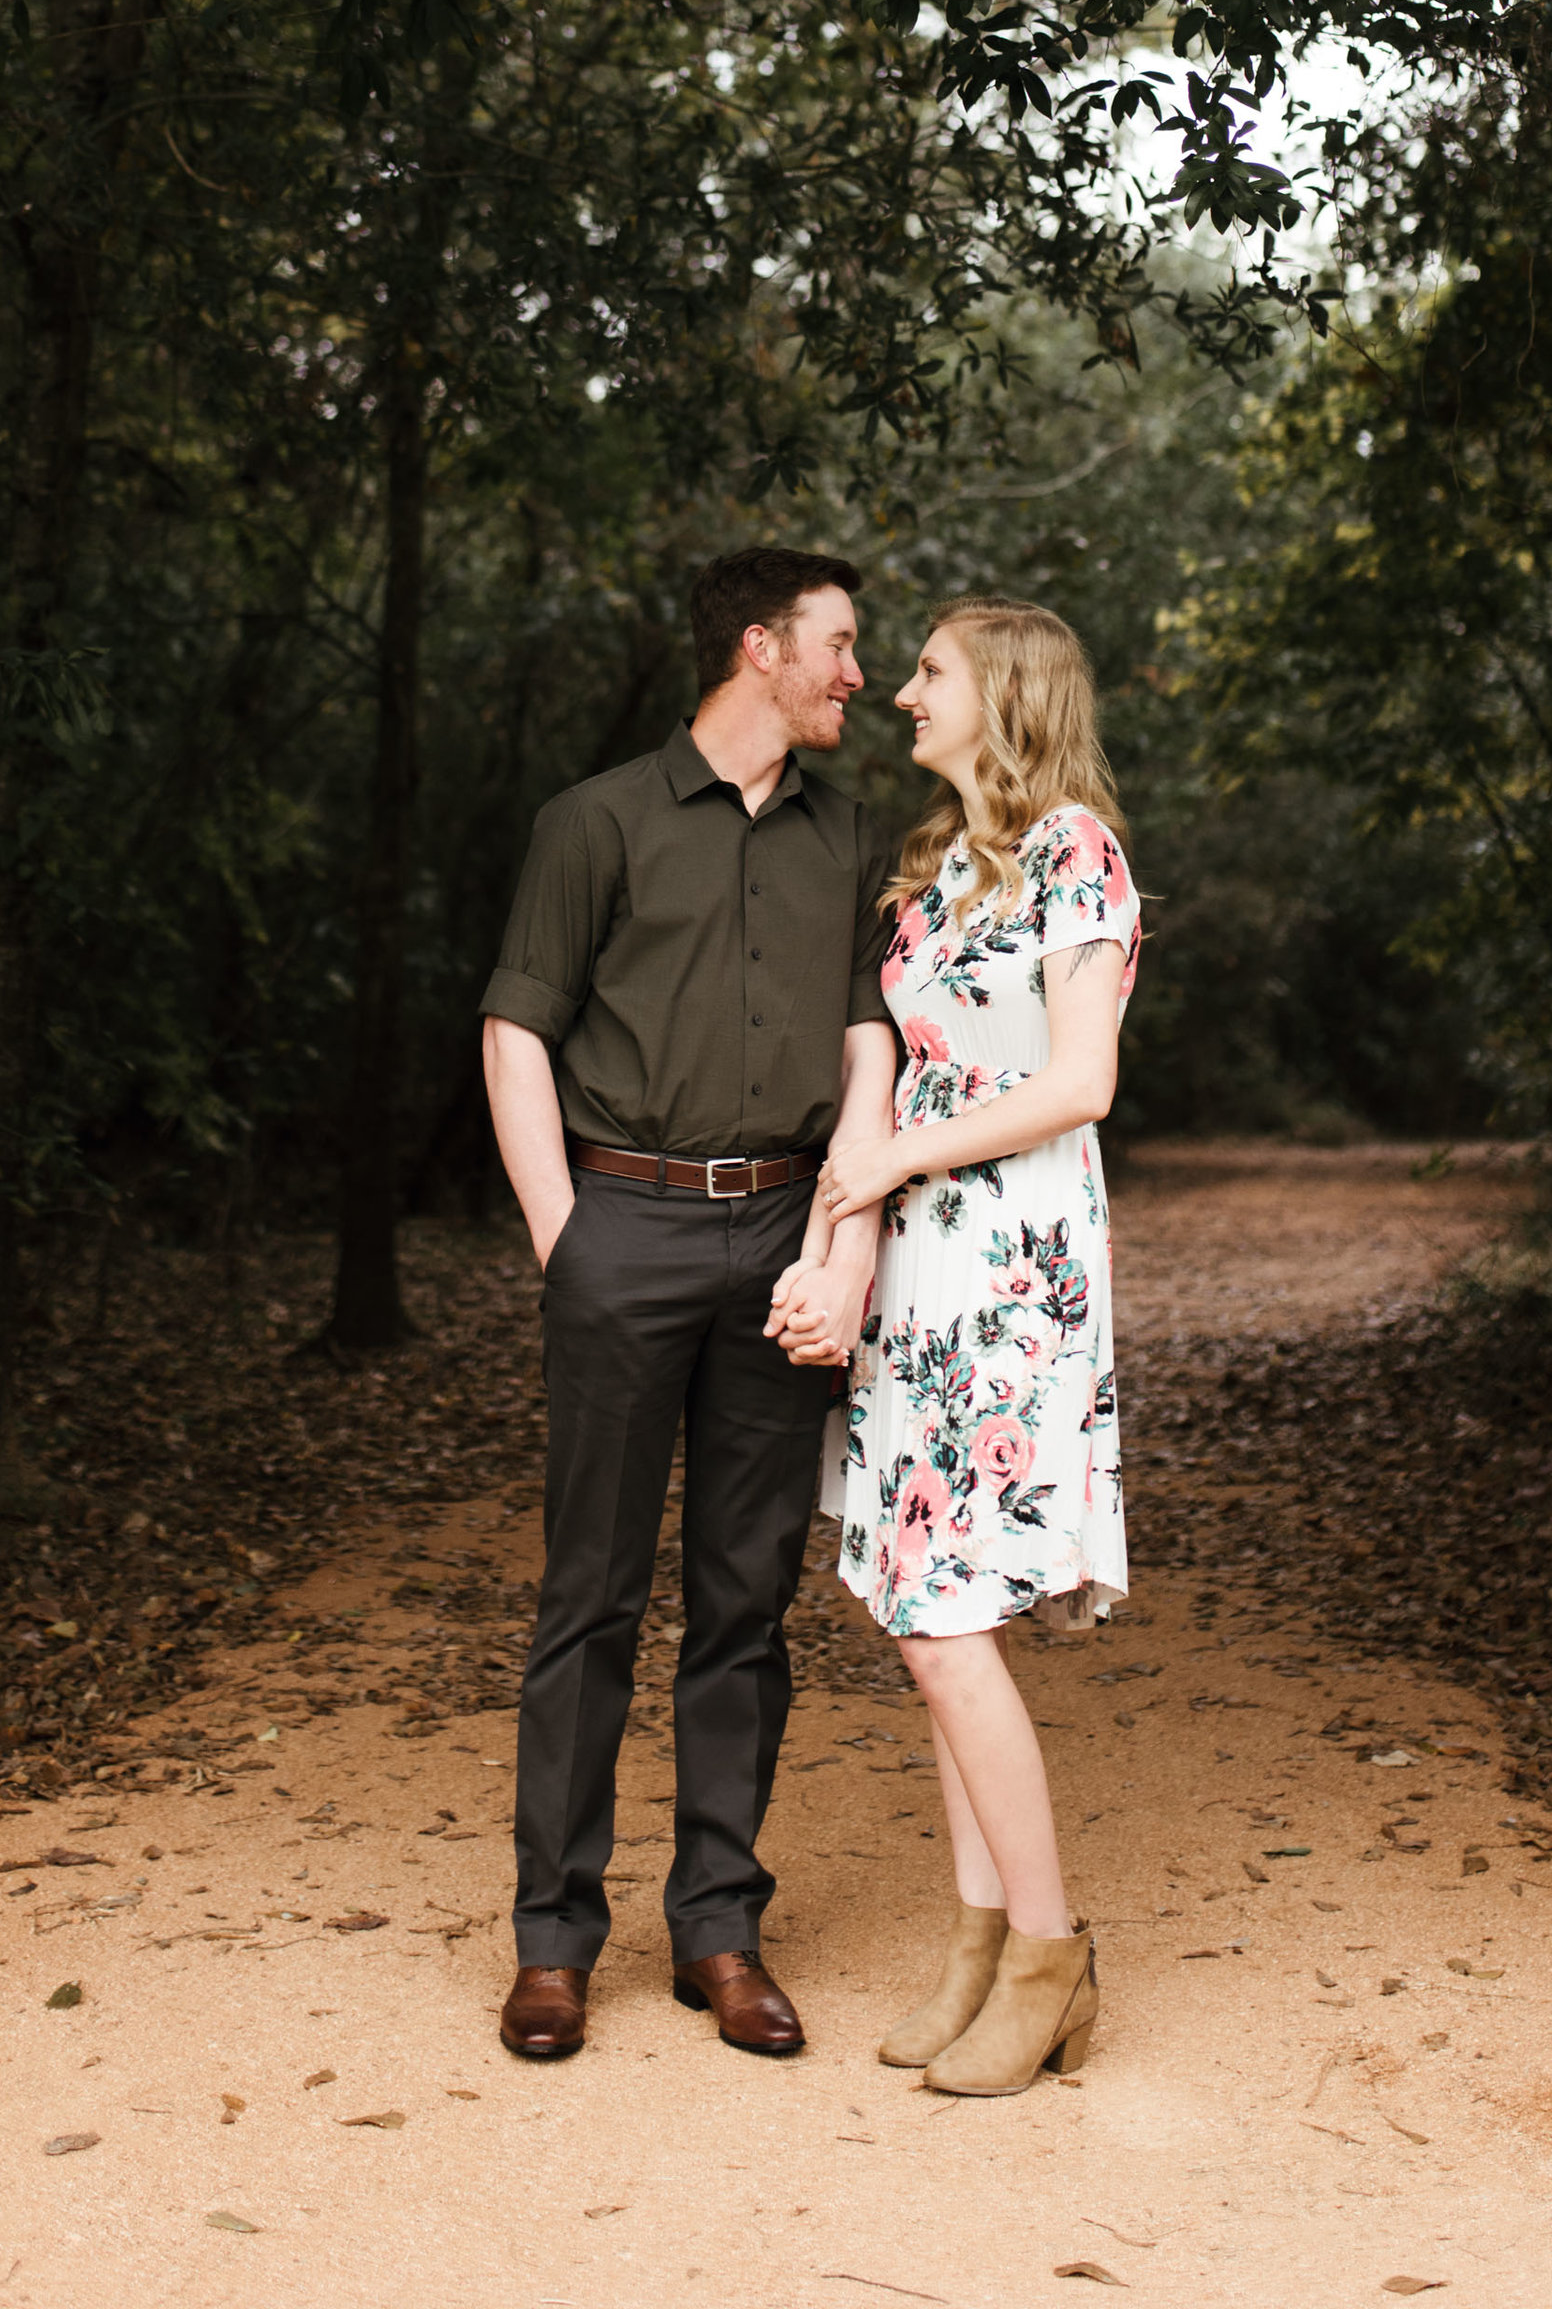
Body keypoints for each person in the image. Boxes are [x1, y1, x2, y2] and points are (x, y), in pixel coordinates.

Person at [479, 546, 898, 2062]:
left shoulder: (848, 834)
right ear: (760, 646)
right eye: (842, 645)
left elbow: (871, 1049)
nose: (861, 674)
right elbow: (515, 1028)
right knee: (588, 1594)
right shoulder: (593, 821)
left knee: (746, 1600)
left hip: (788, 1231)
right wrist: (566, 1239)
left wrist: (843, 1238)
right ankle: (554, 1941)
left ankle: (718, 1926)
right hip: (623, 1223)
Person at [802, 596, 1137, 2097]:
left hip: (1017, 1272)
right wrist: (840, 1243)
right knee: (937, 1632)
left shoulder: (1078, 851)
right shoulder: (923, 878)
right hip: (923, 1276)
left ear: (1002, 690)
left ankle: (1054, 1954)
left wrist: (898, 1164)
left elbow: (1083, 1079)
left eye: (926, 671)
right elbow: (865, 1099)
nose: (901, 694)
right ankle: (980, 1939)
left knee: (945, 1625)